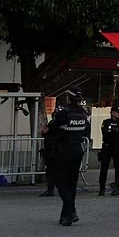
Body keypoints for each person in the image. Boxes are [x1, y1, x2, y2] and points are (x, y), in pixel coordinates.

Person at [45, 93, 90, 226]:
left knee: (60, 182)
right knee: (72, 184)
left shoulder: (63, 114)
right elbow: (86, 130)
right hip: (77, 151)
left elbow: (52, 131)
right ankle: (65, 216)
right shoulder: (83, 115)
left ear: (68, 99)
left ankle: (71, 210)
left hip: (63, 151)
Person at [97, 105, 119, 196]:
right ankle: (102, 188)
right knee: (104, 168)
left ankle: (117, 187)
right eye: (117, 112)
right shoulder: (106, 122)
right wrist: (114, 132)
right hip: (107, 147)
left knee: (118, 168)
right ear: (112, 113)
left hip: (117, 148)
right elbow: (106, 134)